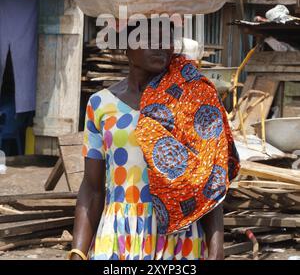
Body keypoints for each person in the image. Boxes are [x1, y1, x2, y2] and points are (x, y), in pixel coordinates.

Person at [69, 22, 239, 260]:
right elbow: (92, 187)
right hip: (118, 235)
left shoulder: (191, 100)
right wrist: (78, 252)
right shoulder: (100, 104)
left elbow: (208, 181)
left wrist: (216, 251)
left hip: (178, 239)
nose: (160, 47)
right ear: (125, 47)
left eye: (166, 40)